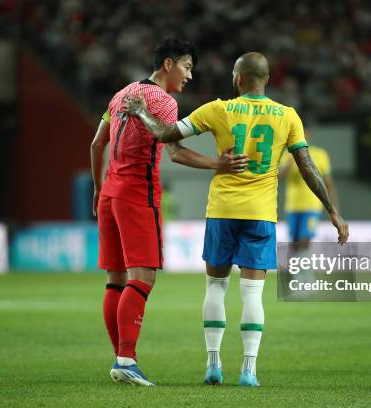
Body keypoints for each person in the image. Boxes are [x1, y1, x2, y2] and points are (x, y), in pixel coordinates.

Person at [123, 52, 349, 387]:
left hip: (223, 211)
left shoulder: (218, 109)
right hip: (261, 215)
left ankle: (213, 365)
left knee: (215, 286)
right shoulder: (287, 116)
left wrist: (141, 111)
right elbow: (306, 165)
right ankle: (249, 371)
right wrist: (332, 210)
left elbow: (166, 135)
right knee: (252, 293)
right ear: (266, 80)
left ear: (237, 78)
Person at [90, 39, 248, 386]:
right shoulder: (162, 101)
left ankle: (122, 357)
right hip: (136, 193)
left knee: (115, 280)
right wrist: (216, 164)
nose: (190, 75)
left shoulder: (122, 94)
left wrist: (99, 188)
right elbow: (174, 151)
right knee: (142, 278)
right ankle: (126, 359)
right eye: (187, 67)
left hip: (110, 194)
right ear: (168, 64)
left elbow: (96, 143)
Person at [279, 137, 339, 251]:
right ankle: (295, 267)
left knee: (305, 240)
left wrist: (334, 208)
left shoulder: (320, 154)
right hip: (292, 206)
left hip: (312, 205)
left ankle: (304, 268)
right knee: (294, 241)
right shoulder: (287, 155)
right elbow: (279, 178)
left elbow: (328, 183)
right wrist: (291, 161)